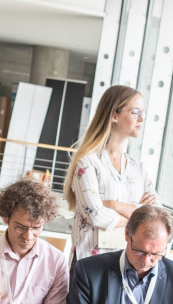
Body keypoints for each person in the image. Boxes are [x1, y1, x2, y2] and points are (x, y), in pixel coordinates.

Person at [65, 85, 157, 260]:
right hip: (89, 264)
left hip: (127, 264)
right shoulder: (88, 163)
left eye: (143, 113)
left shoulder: (139, 168)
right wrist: (138, 217)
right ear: (114, 115)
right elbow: (96, 214)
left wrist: (114, 205)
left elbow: (156, 216)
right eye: (135, 112)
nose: (141, 119)